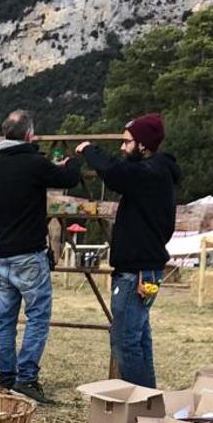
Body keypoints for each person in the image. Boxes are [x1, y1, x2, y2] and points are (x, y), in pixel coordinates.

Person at [77, 114, 181, 390]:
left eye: (127, 142)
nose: (123, 148)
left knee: (124, 340)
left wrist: (89, 149)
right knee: (138, 337)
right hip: (143, 270)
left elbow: (115, 173)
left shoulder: (151, 173)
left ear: (144, 145)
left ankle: (142, 405)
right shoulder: (154, 173)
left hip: (137, 273)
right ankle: (148, 398)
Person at [0, 110, 81, 403]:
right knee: (37, 317)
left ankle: (5, 377)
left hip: (1, 257)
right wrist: (73, 160)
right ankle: (27, 378)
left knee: (6, 321)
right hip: (29, 255)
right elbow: (70, 177)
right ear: (29, 136)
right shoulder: (35, 163)